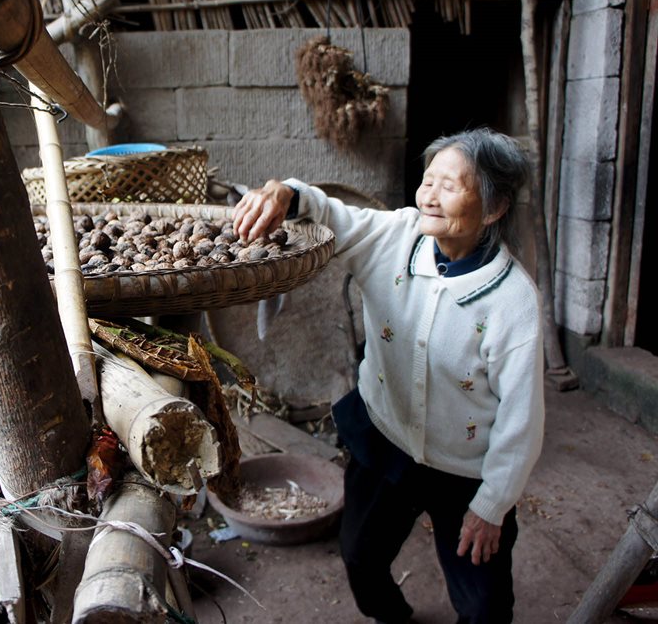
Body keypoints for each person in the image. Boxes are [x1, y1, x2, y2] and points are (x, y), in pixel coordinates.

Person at [233, 128, 545, 623]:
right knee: (360, 556)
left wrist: (492, 505)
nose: (430, 196)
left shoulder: (513, 302)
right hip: (387, 439)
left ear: (493, 209)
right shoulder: (396, 237)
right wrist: (287, 192)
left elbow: (521, 420)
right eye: (428, 180)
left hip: (466, 470)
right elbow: (329, 212)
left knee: (484, 604)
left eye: (451, 185)